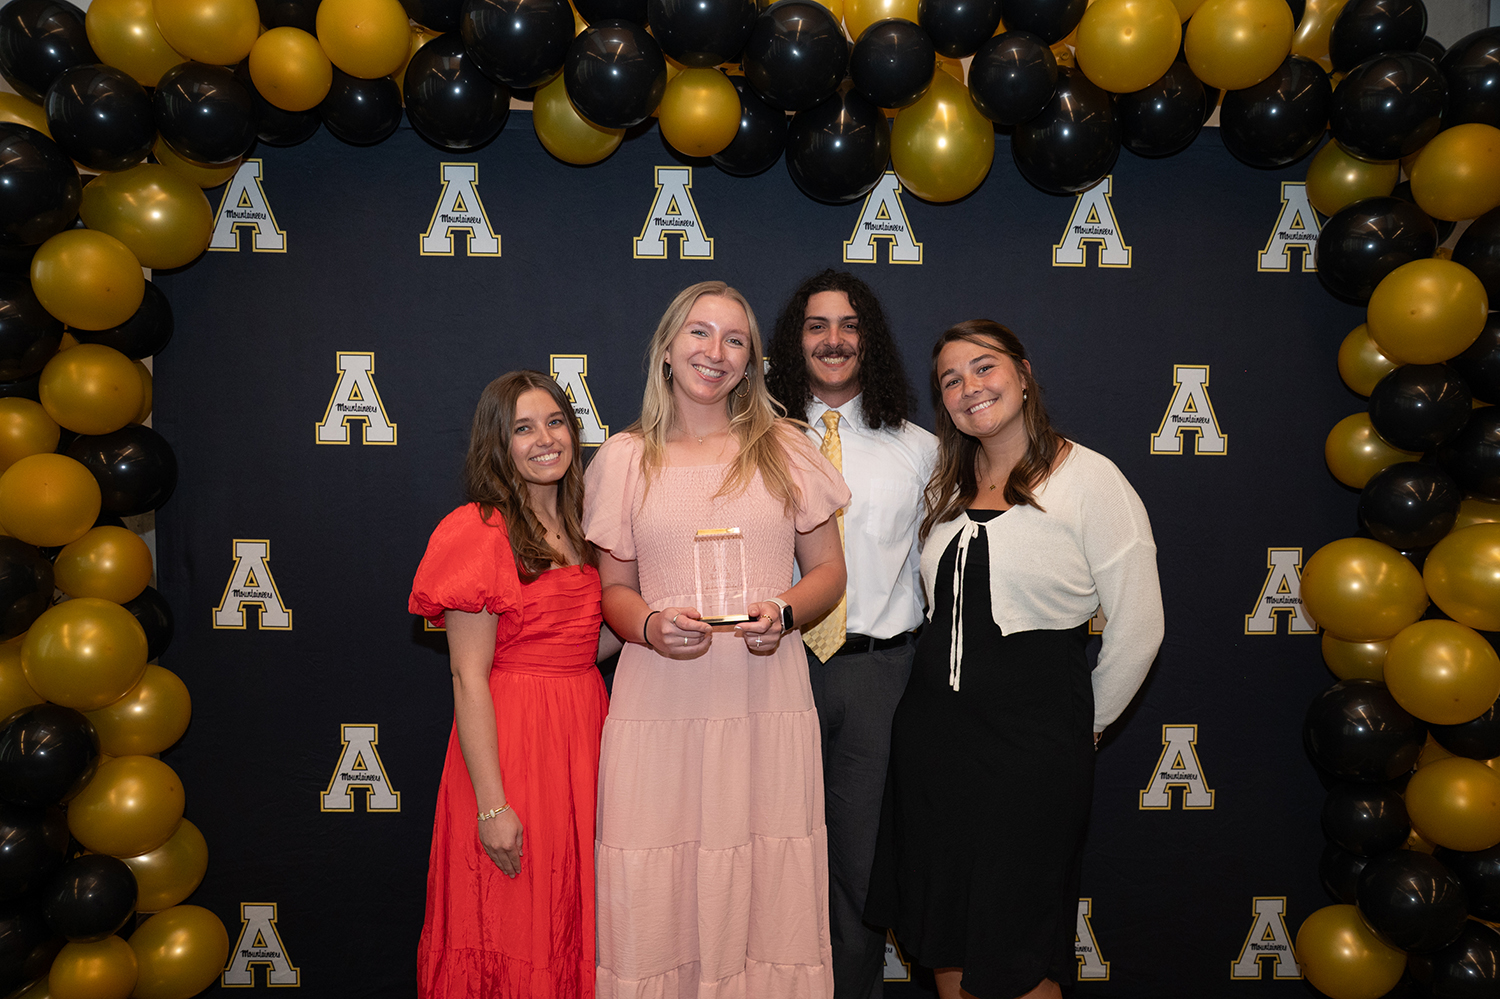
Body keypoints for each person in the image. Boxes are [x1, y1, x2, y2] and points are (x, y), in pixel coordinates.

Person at [865, 321, 1164, 999]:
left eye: (984, 367)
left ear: (1024, 373)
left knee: (1018, 951)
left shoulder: (1090, 478)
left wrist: (1080, 728)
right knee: (945, 935)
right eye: (951, 378)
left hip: (1032, 753)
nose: (970, 386)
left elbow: (1140, 626)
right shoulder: (945, 489)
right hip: (935, 748)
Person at [583, 280, 850, 998]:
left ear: (752, 361)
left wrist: (786, 613)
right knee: (655, 880)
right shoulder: (622, 458)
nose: (717, 351)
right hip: (659, 701)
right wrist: (646, 625)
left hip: (762, 695)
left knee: (768, 882)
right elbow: (613, 591)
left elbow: (828, 572)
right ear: (667, 349)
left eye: (736, 339)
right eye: (699, 333)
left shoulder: (785, 449)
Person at [408, 370, 613, 999]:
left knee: (574, 915)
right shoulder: (480, 530)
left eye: (555, 422)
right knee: (510, 919)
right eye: (523, 428)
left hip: (584, 732)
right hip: (513, 746)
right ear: (498, 444)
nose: (544, 439)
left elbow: (584, 643)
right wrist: (492, 805)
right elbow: (467, 676)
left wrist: (659, 624)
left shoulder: (587, 524)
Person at [765, 270, 936, 999]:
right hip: (774, 667)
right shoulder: (758, 440)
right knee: (772, 856)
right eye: (815, 325)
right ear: (792, 341)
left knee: (864, 868)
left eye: (849, 325)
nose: (833, 340)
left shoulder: (921, 449)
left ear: (871, 341)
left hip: (880, 678)